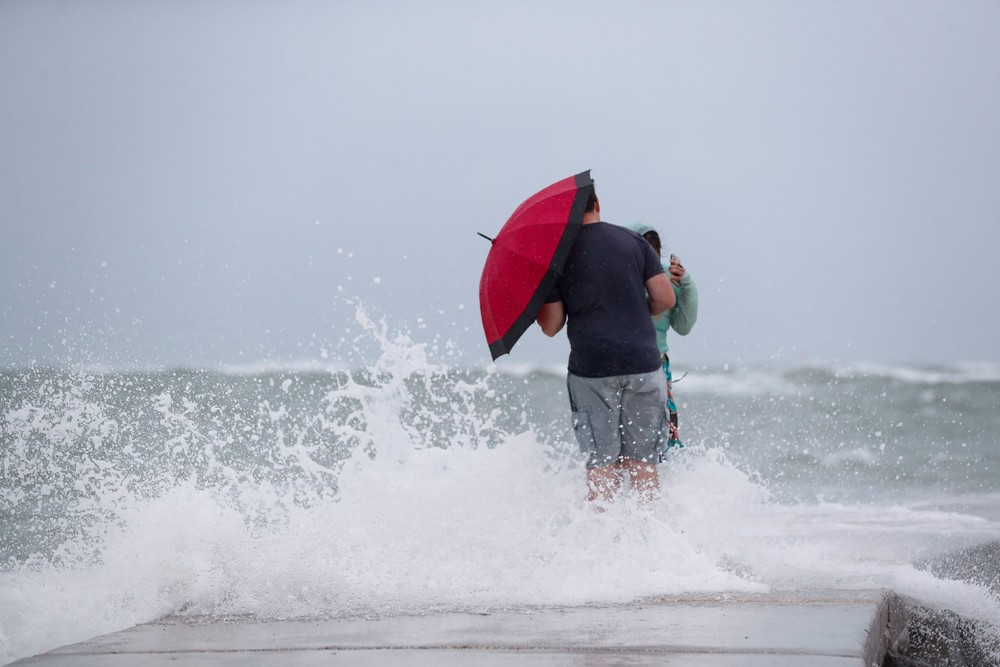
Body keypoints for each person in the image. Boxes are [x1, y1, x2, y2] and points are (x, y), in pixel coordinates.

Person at [536, 188, 676, 503]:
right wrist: (641, 311)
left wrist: (539, 305)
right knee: (644, 462)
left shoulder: (557, 256)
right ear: (597, 204)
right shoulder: (635, 242)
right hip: (643, 362)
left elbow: (552, 326)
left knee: (601, 464)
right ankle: (649, 539)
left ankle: (603, 545)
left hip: (591, 369)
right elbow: (666, 298)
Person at [629, 223, 699, 449]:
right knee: (632, 433)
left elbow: (683, 326)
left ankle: (664, 480)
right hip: (625, 365)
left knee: (664, 431)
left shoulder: (668, 281)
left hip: (657, 365)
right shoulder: (622, 279)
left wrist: (686, 285)